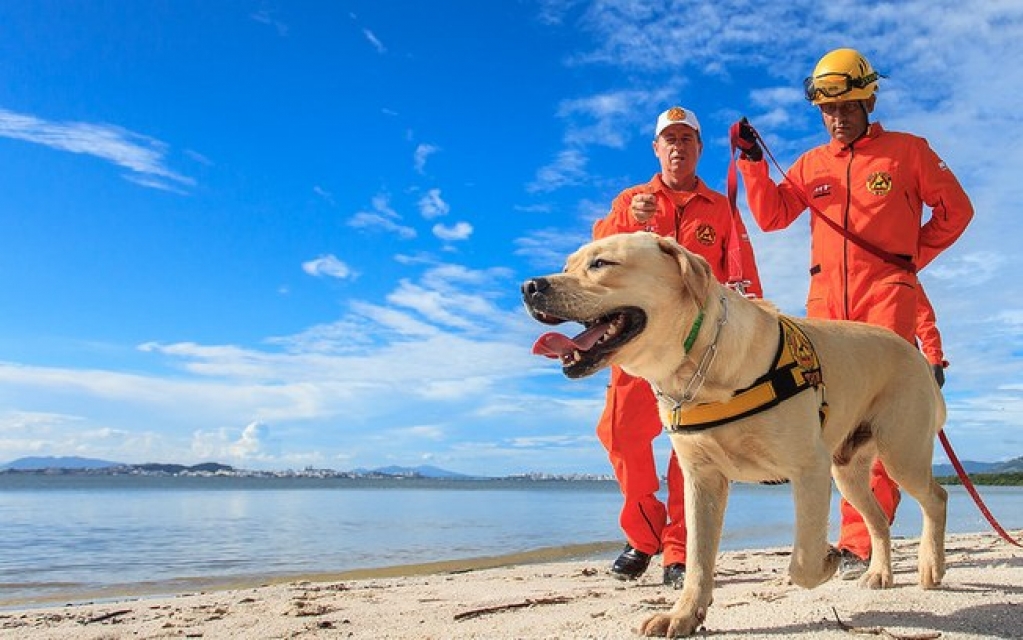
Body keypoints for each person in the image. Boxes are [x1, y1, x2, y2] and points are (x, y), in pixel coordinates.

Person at [736, 48, 973, 579]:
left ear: (868, 98)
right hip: (824, 309)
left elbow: (958, 211)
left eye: (846, 105)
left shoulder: (908, 152)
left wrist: (907, 262)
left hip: (886, 298)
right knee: (827, 428)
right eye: (827, 109)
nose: (837, 117)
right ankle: (863, 539)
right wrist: (752, 162)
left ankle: (858, 545)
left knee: (880, 420)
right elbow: (772, 217)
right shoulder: (812, 164)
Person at [592, 106, 764, 588]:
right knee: (621, 435)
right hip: (637, 343)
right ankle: (644, 533)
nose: (677, 146)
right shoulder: (631, 199)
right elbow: (598, 255)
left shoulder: (721, 208)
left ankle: (679, 551)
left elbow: (742, 272)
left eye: (687, 138)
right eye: (669, 138)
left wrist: (756, 324)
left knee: (692, 447)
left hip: (698, 348)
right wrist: (627, 219)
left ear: (699, 148)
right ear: (655, 148)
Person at [916, 285, 948, 388]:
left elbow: (924, 320)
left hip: (902, 359)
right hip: (868, 355)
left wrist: (934, 360)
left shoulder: (905, 271)